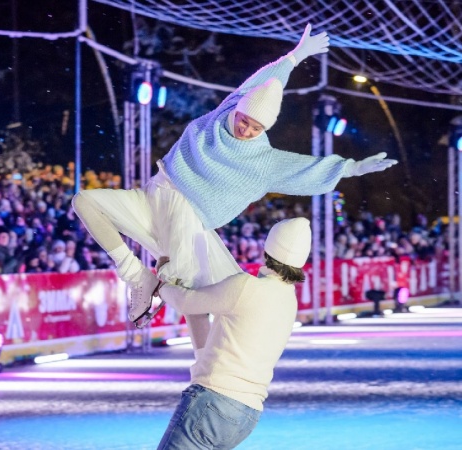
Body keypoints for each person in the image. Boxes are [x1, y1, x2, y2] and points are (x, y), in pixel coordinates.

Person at [72, 24, 397, 328]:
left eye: (256, 128)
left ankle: (201, 369)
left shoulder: (262, 160)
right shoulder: (224, 112)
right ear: (237, 109)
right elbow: (265, 81)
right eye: (244, 120)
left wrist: (351, 167)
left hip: (187, 218)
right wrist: (295, 56)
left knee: (188, 293)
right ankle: (136, 276)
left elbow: (306, 168)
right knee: (84, 201)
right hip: (156, 192)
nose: (246, 130)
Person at [156, 217, 311, 449]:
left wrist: (162, 284)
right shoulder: (288, 300)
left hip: (214, 400)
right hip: (246, 413)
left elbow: (186, 302)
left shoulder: (246, 286)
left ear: (268, 248)